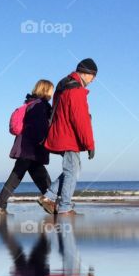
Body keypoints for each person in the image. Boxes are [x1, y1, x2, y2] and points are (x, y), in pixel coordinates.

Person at [38, 58, 97, 217]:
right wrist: (90, 144)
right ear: (85, 73)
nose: (93, 79)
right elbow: (80, 119)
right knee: (72, 170)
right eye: (93, 75)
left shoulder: (63, 85)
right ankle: (64, 206)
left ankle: (49, 197)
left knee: (73, 170)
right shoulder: (76, 91)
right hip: (69, 137)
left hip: (61, 133)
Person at [0, 79, 54, 216]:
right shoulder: (40, 106)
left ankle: (52, 203)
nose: (52, 93)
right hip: (31, 148)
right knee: (17, 177)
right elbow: (39, 128)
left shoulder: (31, 103)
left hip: (27, 146)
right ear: (45, 90)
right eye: (51, 90)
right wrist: (46, 143)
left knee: (40, 176)